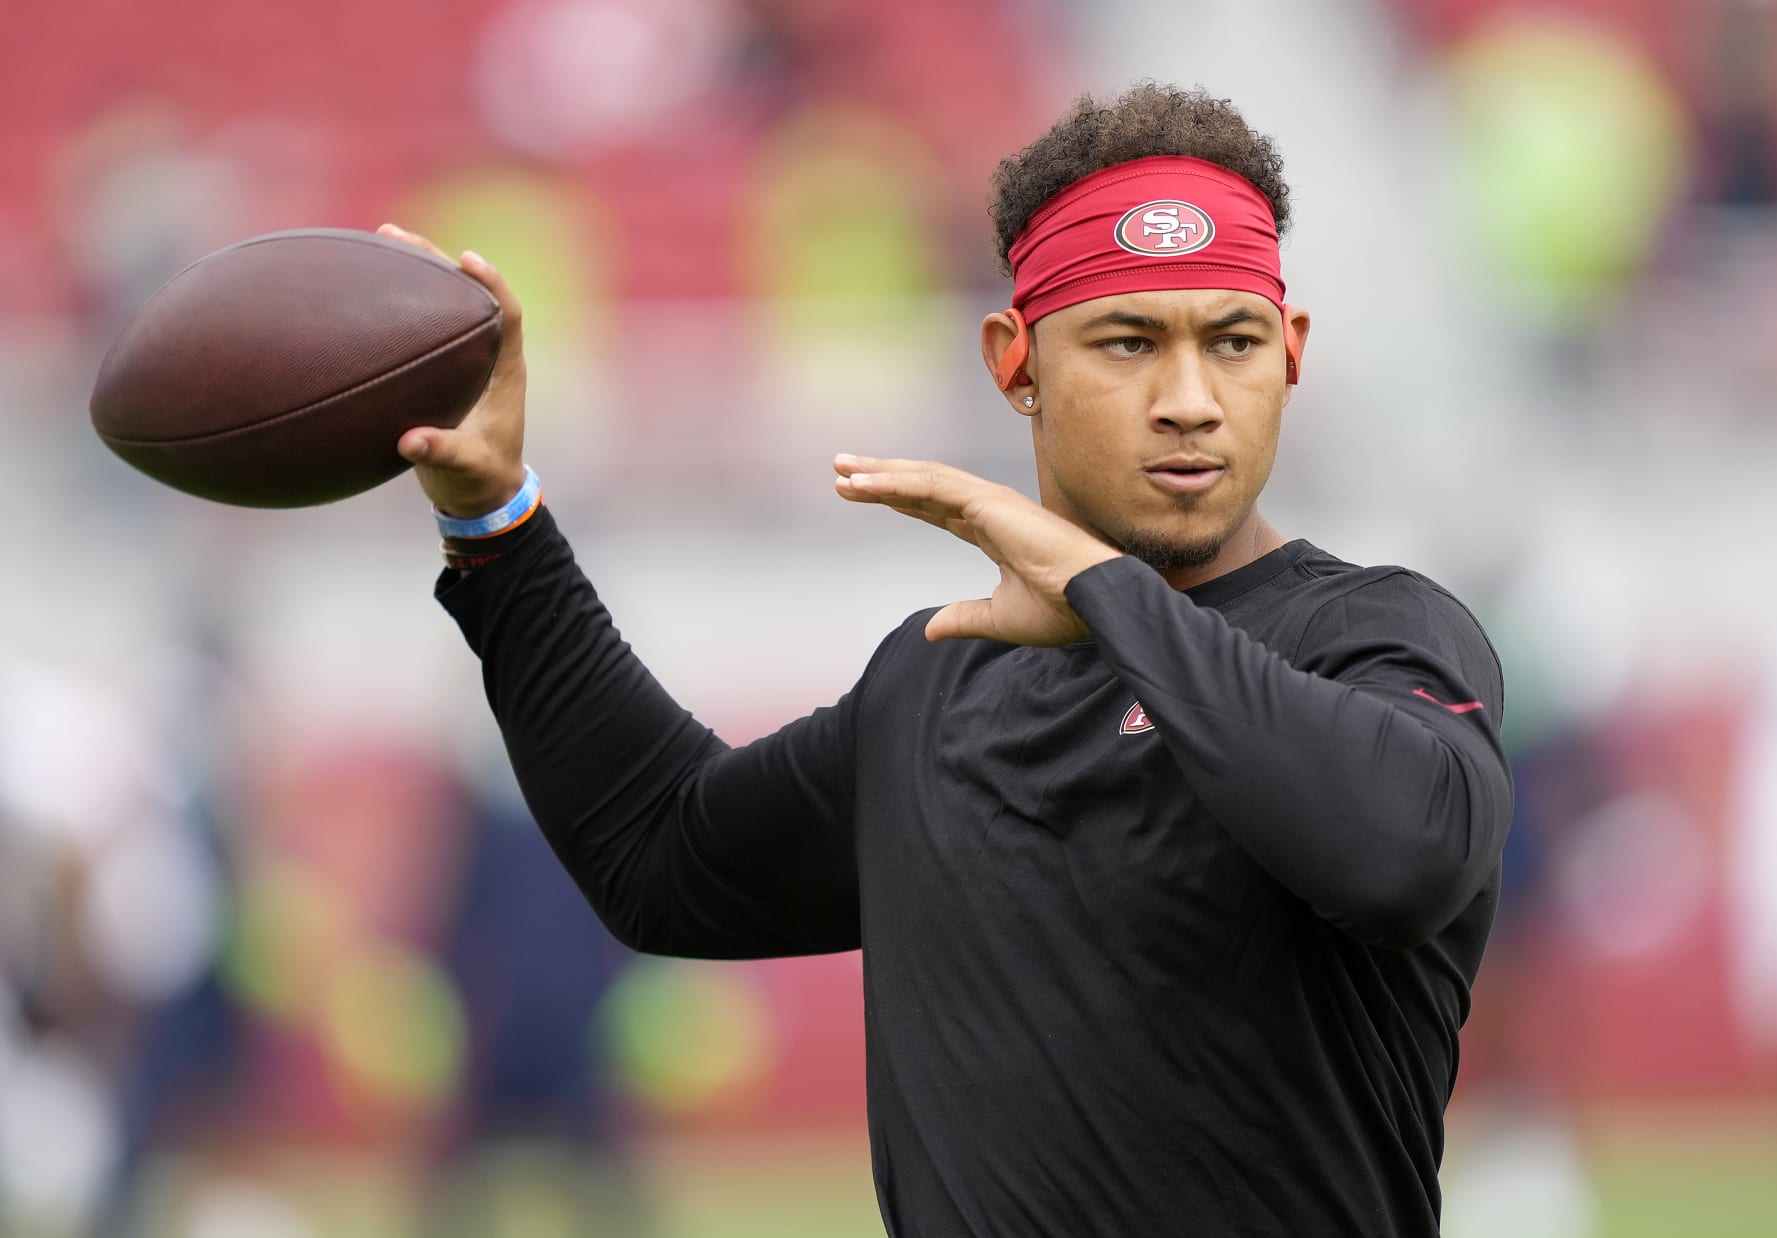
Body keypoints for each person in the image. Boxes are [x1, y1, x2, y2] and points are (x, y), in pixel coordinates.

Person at [383, 82, 1512, 1237]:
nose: (1190, 402)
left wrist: (1104, 592)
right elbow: (661, 853)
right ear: (1012, 360)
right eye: (1128, 343)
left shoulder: (1380, 633)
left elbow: (1401, 857)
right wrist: (497, 526)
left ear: (1292, 353)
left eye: (1232, 342)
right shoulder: (936, 688)